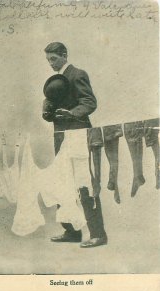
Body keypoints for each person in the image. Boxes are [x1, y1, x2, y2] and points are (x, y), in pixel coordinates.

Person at [42, 42, 107, 248]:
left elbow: (89, 102)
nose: (50, 63)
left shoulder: (77, 74)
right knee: (62, 182)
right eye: (48, 60)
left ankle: (98, 234)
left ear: (64, 55)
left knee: (84, 184)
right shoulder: (53, 81)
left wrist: (72, 114)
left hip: (79, 135)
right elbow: (51, 112)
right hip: (61, 137)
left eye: (53, 59)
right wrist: (47, 110)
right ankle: (71, 232)